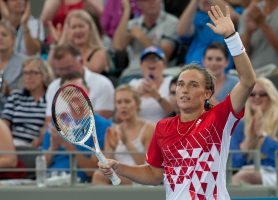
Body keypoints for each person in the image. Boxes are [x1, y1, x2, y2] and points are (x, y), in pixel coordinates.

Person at [98, 5, 256, 199]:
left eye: (192, 85)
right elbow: (155, 174)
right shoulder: (163, 127)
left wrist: (231, 36)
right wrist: (118, 167)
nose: (184, 90)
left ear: (207, 93)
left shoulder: (218, 119)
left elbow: (248, 81)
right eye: (181, 84)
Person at [42, 71, 111, 182]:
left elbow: (92, 171)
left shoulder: (102, 125)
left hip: (78, 184)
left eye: (78, 90)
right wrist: (53, 148)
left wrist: (68, 146)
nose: (74, 95)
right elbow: (41, 166)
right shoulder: (56, 124)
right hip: (49, 181)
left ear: (87, 91)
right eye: (69, 92)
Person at [230, 77, 278, 186]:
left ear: (272, 97)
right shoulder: (240, 124)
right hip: (244, 174)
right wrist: (249, 140)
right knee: (242, 176)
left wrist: (262, 136)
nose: (257, 97)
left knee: (245, 176)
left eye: (262, 94)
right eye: (252, 94)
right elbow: (232, 164)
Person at [92, 85, 155, 185]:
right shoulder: (112, 131)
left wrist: (127, 143)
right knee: (98, 175)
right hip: (120, 178)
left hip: (141, 179)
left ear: (137, 104)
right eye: (119, 102)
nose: (123, 106)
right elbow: (108, 166)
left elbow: (149, 168)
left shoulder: (150, 129)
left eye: (127, 101)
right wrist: (110, 151)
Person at [45, 44, 114, 124]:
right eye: (59, 70)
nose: (64, 73)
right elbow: (50, 123)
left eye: (68, 68)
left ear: (81, 61)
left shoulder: (102, 84)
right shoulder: (53, 87)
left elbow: (102, 122)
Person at [113, 0, 179, 84]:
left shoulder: (171, 22)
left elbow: (164, 55)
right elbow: (117, 46)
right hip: (132, 74)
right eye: (145, 0)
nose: (151, 2)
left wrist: (142, 37)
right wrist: (127, 11)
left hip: (159, 75)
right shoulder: (133, 24)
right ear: (139, 4)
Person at [1, 57, 54, 147]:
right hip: (12, 144)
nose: (28, 77)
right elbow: (4, 123)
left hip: (38, 146)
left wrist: (38, 142)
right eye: (25, 73)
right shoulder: (15, 96)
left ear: (44, 75)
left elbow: (48, 127)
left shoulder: (50, 99)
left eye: (33, 73)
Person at [239, 0, 278, 71]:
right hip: (255, 76)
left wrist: (262, 24)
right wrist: (248, 33)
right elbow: (241, 56)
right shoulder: (249, 12)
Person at [49, 10, 108, 74]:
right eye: (73, 27)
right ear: (67, 31)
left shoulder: (99, 52)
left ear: (90, 28)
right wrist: (58, 44)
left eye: (81, 26)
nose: (77, 31)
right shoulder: (62, 51)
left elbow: (93, 69)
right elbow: (50, 67)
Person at [129, 46, 174, 123]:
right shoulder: (133, 84)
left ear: (164, 64)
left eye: (156, 59)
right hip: (139, 130)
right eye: (146, 59)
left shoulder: (171, 82)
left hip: (164, 129)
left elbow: (175, 113)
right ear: (141, 65)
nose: (151, 62)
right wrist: (136, 95)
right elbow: (120, 115)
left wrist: (157, 96)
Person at [0, 20, 27, 113]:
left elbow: (27, 94)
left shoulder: (25, 62)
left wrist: (10, 92)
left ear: (13, 39)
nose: (0, 38)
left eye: (4, 35)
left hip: (15, 112)